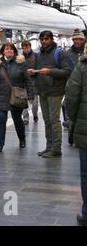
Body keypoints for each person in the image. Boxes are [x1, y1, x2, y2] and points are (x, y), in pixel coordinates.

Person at [27, 30, 72, 158]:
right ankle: (49, 147)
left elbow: (67, 71)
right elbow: (39, 71)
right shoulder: (39, 54)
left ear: (52, 39)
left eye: (46, 39)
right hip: (43, 91)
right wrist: (33, 72)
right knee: (47, 120)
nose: (44, 41)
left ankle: (56, 148)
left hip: (55, 91)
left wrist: (50, 71)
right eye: (42, 39)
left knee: (54, 120)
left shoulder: (60, 53)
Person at [0, 42, 34, 152]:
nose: (8, 51)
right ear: (2, 51)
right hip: (1, 96)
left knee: (17, 119)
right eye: (6, 49)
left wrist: (30, 95)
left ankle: (22, 139)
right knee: (1, 119)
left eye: (10, 49)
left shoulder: (21, 63)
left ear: (14, 51)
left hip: (16, 96)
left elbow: (27, 80)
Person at [64, 42, 87, 226]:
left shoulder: (82, 66)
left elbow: (71, 97)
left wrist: (74, 119)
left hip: (85, 130)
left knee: (86, 173)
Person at [63, 30, 86, 145]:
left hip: (84, 87)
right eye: (75, 39)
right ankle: (72, 139)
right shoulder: (68, 53)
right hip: (72, 85)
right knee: (72, 115)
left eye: (79, 39)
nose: (76, 41)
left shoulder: (85, 52)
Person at [21, 40, 39, 124]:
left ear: (30, 47)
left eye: (27, 47)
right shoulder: (20, 58)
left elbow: (40, 68)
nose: (25, 49)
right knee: (24, 102)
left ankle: (35, 114)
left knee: (34, 103)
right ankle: (25, 118)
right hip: (23, 82)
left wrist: (34, 71)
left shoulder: (36, 56)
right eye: (24, 48)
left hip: (34, 82)